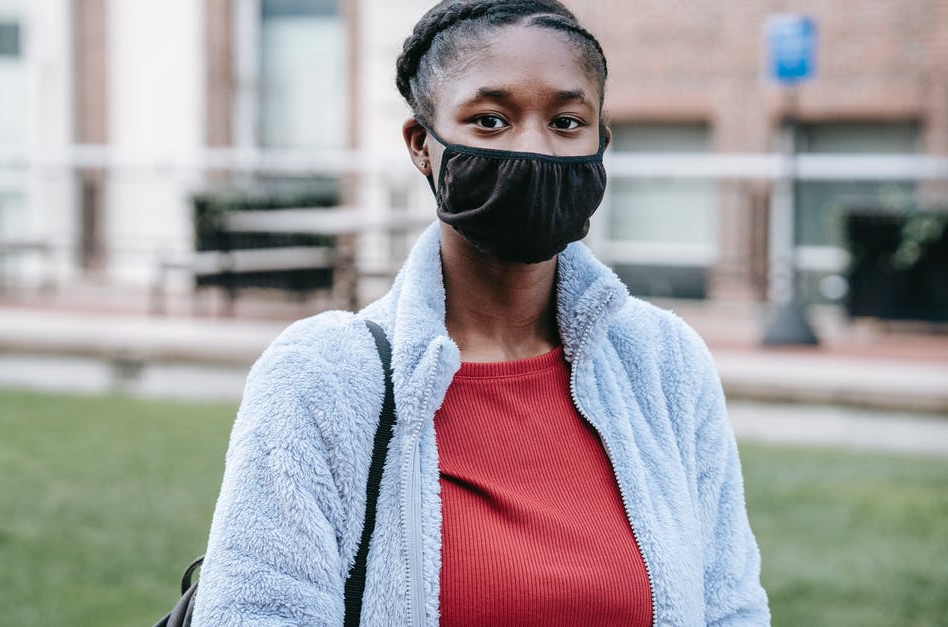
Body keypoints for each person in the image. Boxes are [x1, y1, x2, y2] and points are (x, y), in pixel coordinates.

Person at [192, 1, 770, 624]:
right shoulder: (322, 377)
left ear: (602, 141)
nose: (534, 148)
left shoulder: (665, 364)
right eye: (490, 120)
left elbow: (730, 606)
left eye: (567, 121)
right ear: (422, 145)